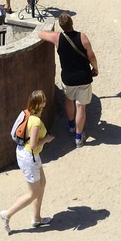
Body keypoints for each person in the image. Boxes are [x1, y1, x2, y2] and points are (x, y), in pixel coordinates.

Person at [38, 14, 98, 144]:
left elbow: (40, 34)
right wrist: (95, 69)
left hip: (68, 78)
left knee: (69, 100)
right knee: (81, 107)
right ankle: (78, 137)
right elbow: (91, 56)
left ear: (61, 26)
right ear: (72, 23)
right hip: (84, 77)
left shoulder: (57, 38)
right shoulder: (82, 37)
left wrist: (54, 32)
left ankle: (71, 124)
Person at [1, 88, 49, 233]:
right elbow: (34, 144)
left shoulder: (26, 112)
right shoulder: (35, 121)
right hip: (30, 156)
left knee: (42, 183)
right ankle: (7, 214)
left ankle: (37, 218)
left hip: (25, 153)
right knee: (33, 193)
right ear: (40, 104)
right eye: (43, 100)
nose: (45, 102)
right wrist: (46, 139)